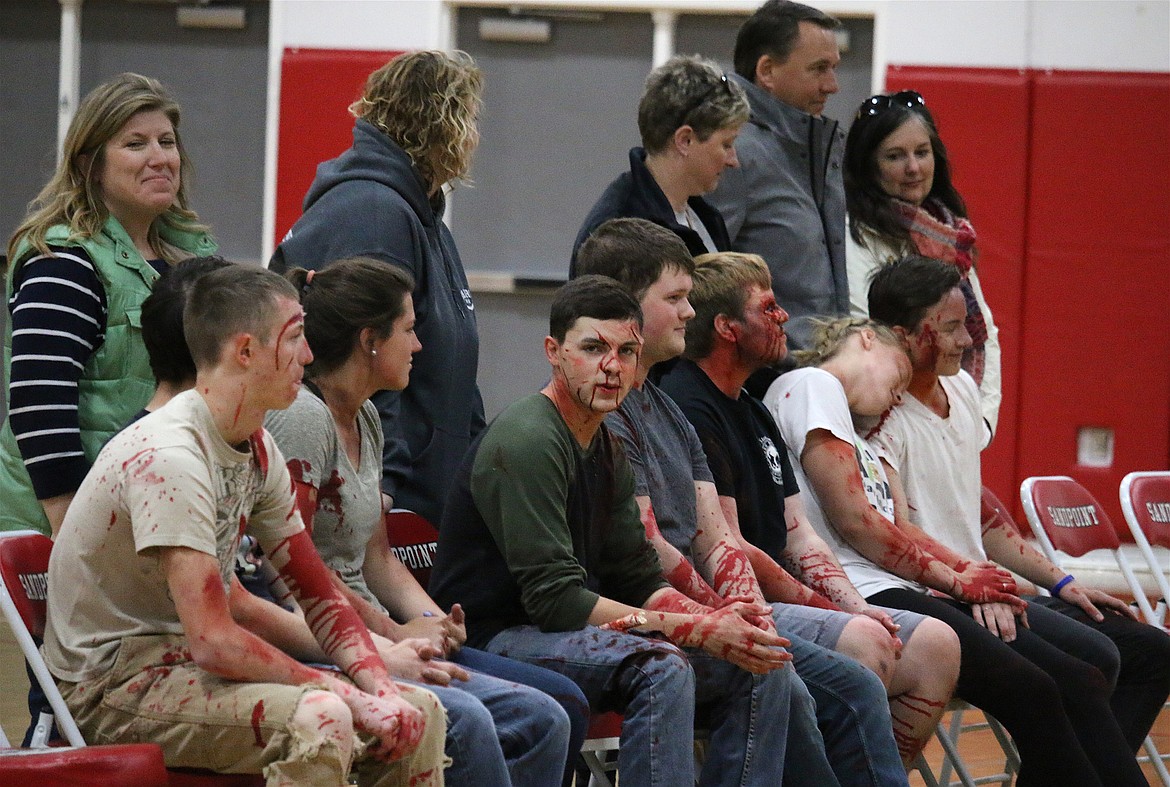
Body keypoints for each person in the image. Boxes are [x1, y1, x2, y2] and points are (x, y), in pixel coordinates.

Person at [41, 264, 447, 785]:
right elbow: (213, 639)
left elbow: (318, 596)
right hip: (114, 684)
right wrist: (346, 692)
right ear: (245, 352)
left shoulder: (256, 443)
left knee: (421, 709)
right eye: (296, 339)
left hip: (185, 664)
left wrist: (381, 685)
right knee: (323, 717)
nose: (308, 355)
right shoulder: (170, 456)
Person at [429, 275, 836, 787]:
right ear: (553, 352)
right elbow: (555, 602)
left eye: (625, 351)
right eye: (593, 348)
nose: (611, 366)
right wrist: (695, 628)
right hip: (496, 635)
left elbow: (638, 577)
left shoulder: (606, 444)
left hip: (568, 625)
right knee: (662, 665)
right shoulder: (529, 437)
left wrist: (717, 620)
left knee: (758, 663)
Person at [764, 260, 1141, 786]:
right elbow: (857, 521)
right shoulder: (812, 385)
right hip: (866, 592)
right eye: (899, 374)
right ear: (871, 340)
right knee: (1049, 687)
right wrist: (964, 580)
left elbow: (904, 524)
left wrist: (983, 578)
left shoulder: (857, 420)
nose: (897, 397)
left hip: (896, 586)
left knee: (1073, 676)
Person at [265, 257, 586, 786]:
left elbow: (378, 559)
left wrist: (437, 623)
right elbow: (294, 580)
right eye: (409, 330)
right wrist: (392, 633)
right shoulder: (303, 418)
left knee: (553, 712)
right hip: (315, 638)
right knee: (491, 720)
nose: (419, 346)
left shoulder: (367, 416)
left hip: (368, 631)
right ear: (370, 340)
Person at [646, 246, 957, 779]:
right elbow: (729, 546)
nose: (784, 316)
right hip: (729, 600)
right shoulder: (689, 404)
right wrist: (837, 611)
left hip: (778, 598)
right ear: (726, 327)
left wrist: (855, 603)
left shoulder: (753, 409)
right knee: (863, 646)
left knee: (935, 645)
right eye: (767, 308)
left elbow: (801, 536)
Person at [863, 254, 1170, 774]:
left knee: (1149, 652)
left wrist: (1062, 581)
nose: (966, 342)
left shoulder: (958, 387)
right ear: (905, 335)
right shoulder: (881, 419)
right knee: (1081, 673)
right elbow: (896, 534)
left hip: (985, 588)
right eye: (952, 328)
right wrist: (971, 585)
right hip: (940, 594)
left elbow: (980, 517)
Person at [271, 50, 485, 526]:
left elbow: (455, 365)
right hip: (391, 493)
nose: (475, 136)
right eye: (469, 118)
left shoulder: (420, 216)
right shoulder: (374, 213)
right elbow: (365, 359)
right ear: (442, 124)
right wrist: (385, 481)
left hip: (430, 489)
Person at [0, 72, 217, 537]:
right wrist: (73, 531)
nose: (160, 158)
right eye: (136, 144)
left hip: (152, 512)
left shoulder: (193, 257)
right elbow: (39, 401)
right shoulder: (65, 260)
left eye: (167, 141)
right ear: (90, 165)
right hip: (58, 528)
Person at [844, 90, 1001, 443]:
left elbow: (982, 335)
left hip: (954, 422)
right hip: (891, 424)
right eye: (895, 156)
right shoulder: (855, 234)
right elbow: (868, 333)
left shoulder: (950, 235)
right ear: (868, 165)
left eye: (922, 152)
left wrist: (980, 423)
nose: (913, 168)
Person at [705, 0, 849, 359]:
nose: (832, 85)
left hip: (820, 371)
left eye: (833, 68)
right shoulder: (735, 152)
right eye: (818, 69)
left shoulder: (817, 148)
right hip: (766, 380)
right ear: (766, 70)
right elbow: (705, 283)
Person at [571, 54, 747, 269]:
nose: (733, 160)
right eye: (726, 144)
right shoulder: (616, 234)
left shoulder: (706, 216)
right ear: (685, 140)